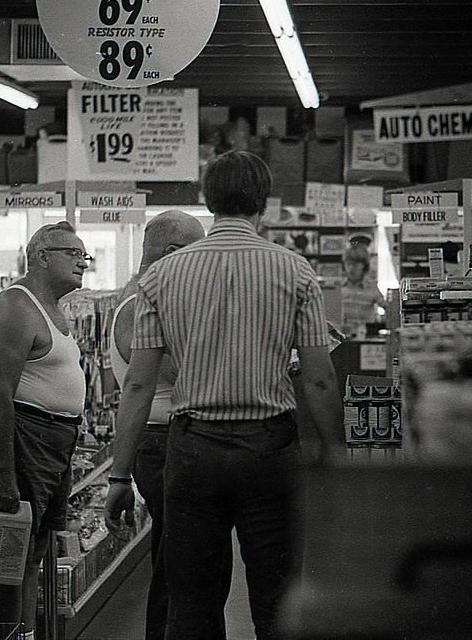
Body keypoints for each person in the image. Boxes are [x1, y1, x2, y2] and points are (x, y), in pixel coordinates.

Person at [104, 150, 344, 640]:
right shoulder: (295, 271)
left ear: (208, 201)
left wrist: (119, 474)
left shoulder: (160, 277)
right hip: (270, 450)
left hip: (192, 451)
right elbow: (319, 380)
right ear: (263, 202)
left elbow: (138, 384)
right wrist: (338, 455)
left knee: (192, 606)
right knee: (277, 602)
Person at [0, 221, 91, 639]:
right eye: (74, 254)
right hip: (26, 439)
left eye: (85, 256)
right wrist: (3, 474)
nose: (83, 263)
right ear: (42, 256)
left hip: (53, 442)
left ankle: (24, 634)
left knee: (34, 551)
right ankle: (9, 635)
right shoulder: (15, 306)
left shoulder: (53, 310)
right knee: (10, 551)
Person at [109, 210, 212, 640]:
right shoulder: (141, 307)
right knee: (179, 569)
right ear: (173, 254)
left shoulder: (151, 300)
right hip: (164, 442)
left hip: (169, 440)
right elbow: (178, 373)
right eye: (199, 250)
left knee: (182, 563)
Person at [340, 244, 386, 338]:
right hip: (340, 338)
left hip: (364, 337)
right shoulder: (338, 287)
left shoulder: (372, 287)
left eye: (355, 265)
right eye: (348, 264)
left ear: (364, 266)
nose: (351, 268)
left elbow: (388, 308)